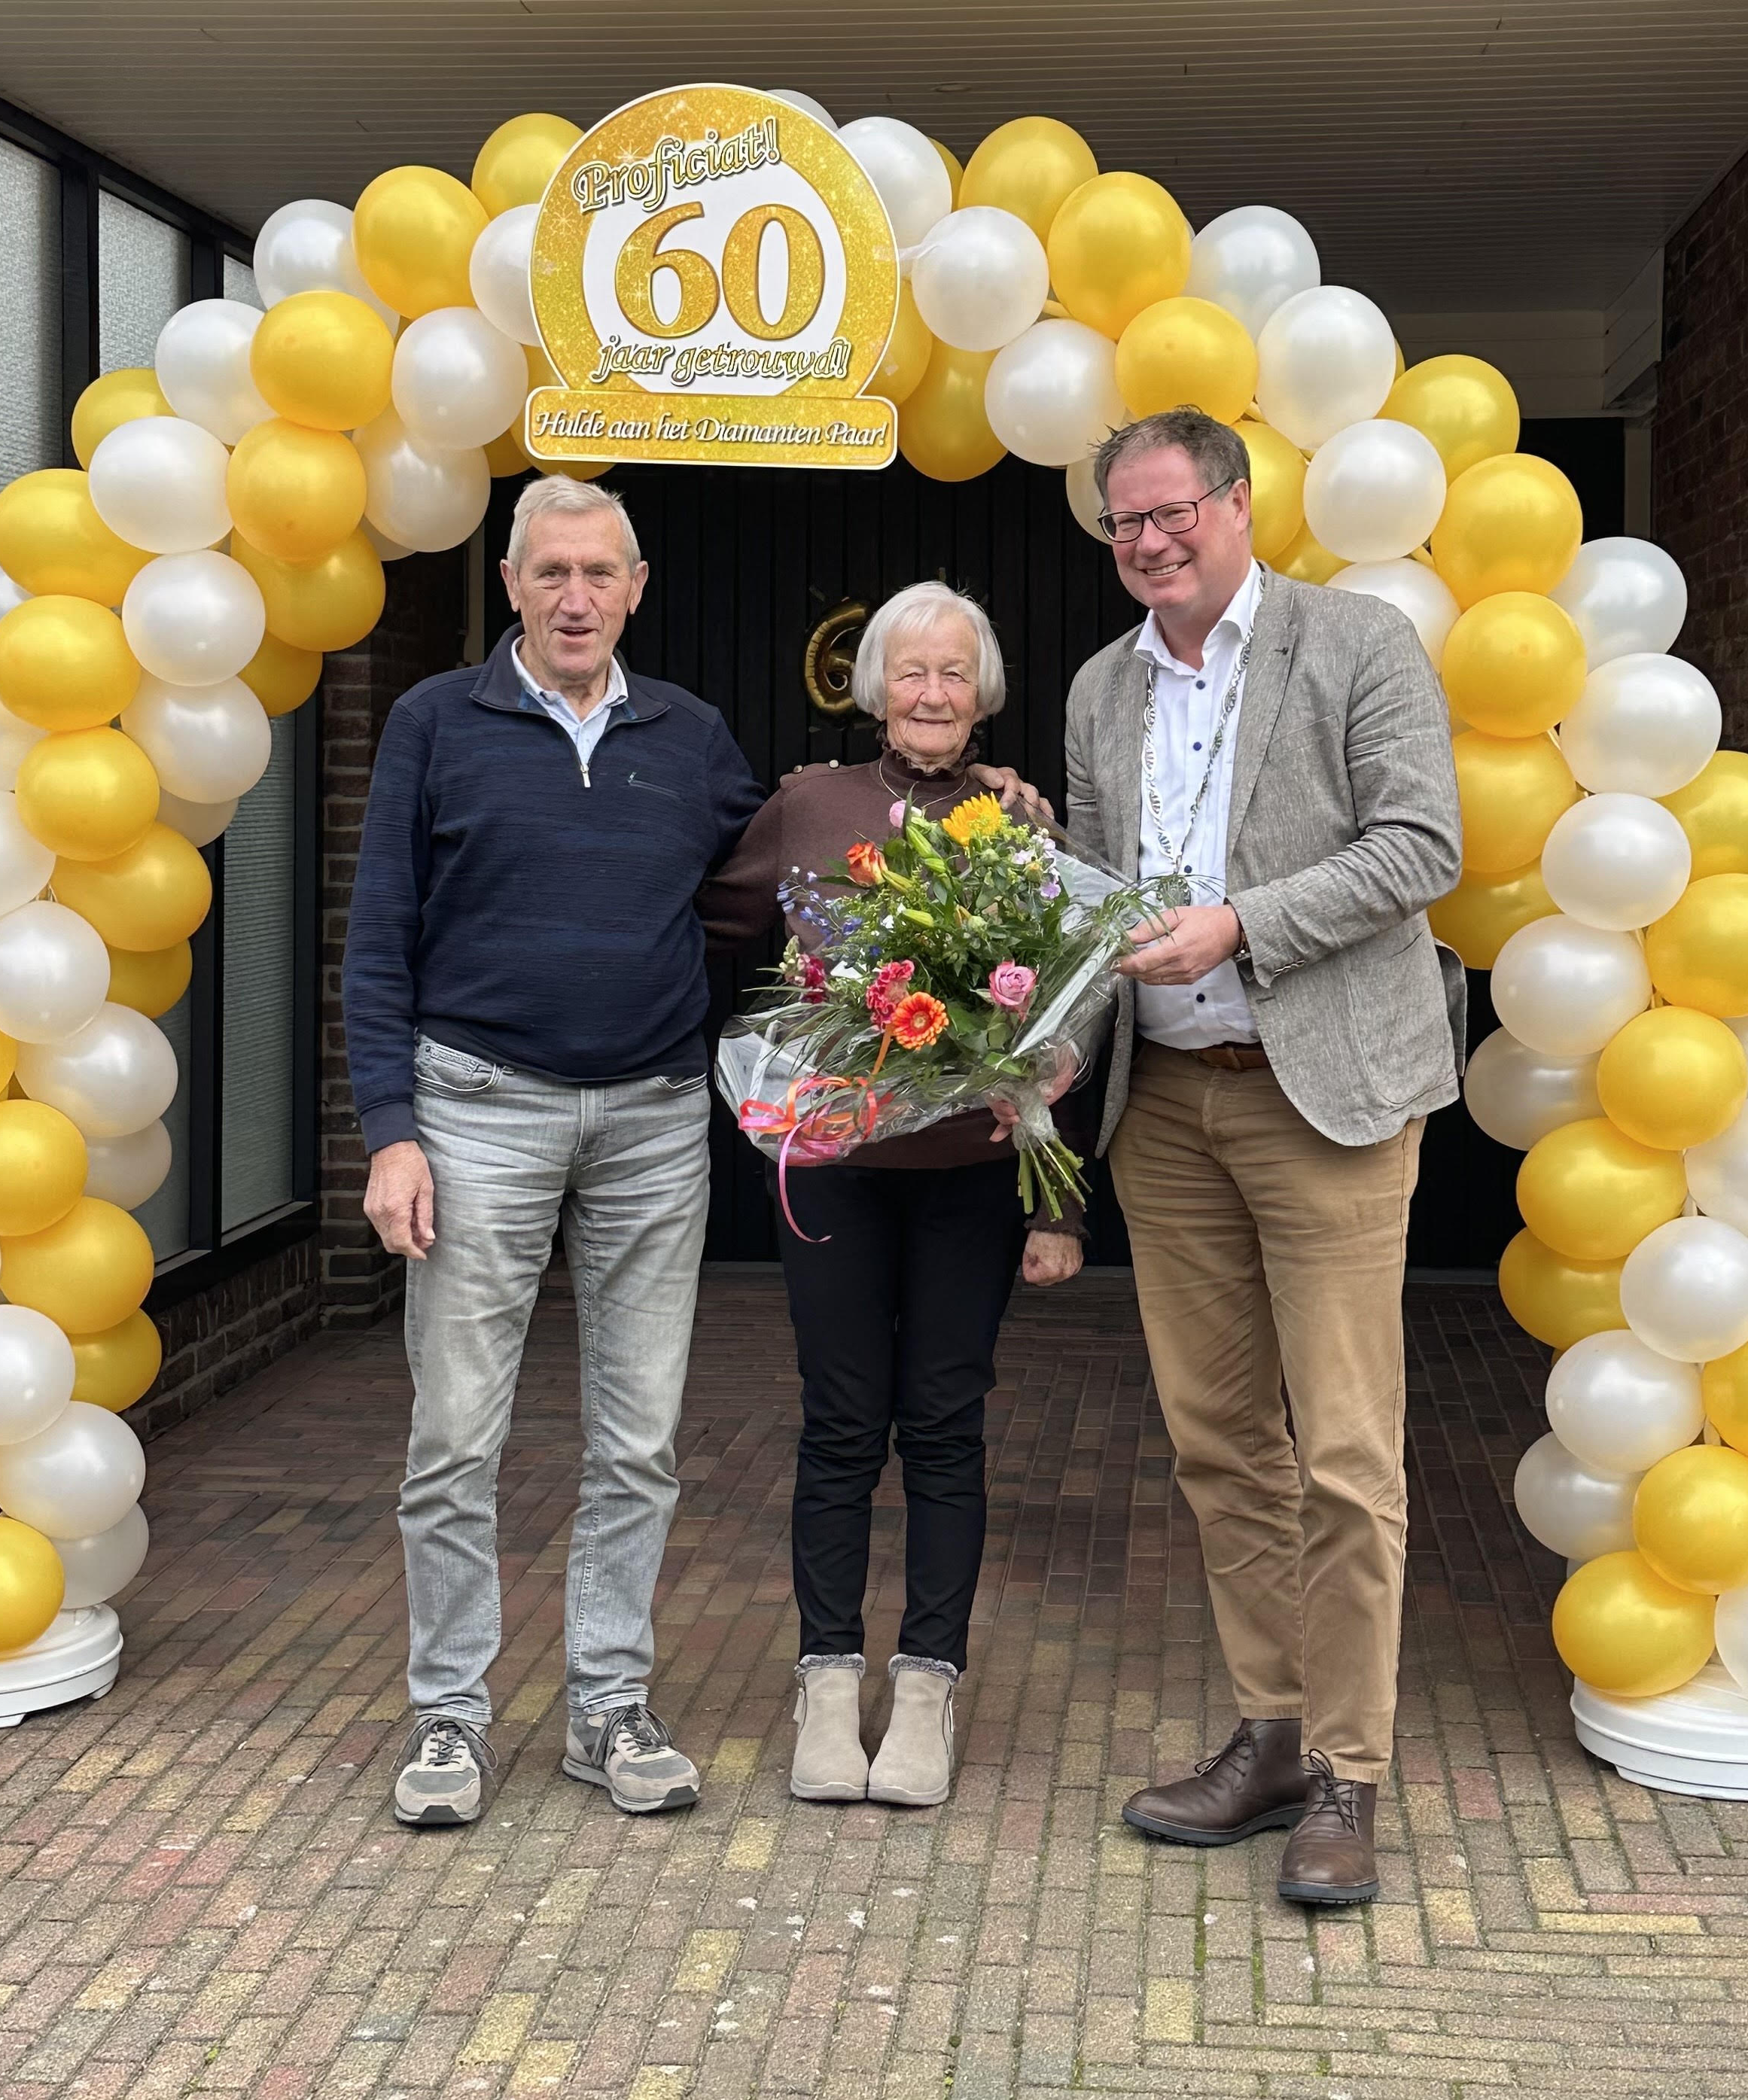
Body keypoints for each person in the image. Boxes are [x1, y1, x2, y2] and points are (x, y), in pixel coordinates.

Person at [349, 478, 1051, 1829]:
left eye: (598, 573)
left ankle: (609, 1701)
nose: (574, 597)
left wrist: (989, 798)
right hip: (477, 1108)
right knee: (454, 1433)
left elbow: (805, 869)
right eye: (549, 571)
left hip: (654, 1121)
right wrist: (391, 1131)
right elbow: (378, 937)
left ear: (638, 584)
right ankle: (449, 1714)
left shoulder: (691, 736)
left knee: (637, 1439)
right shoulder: (436, 724)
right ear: (509, 583)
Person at [1061, 408, 1463, 1905]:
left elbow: (1425, 844)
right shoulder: (1104, 687)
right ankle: (1276, 1735)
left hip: (1330, 1101)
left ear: (1240, 503)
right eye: (1125, 525)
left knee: (1349, 1458)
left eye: (1172, 514)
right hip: (1163, 1105)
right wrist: (1052, 1017)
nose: (1149, 544)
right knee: (1223, 1444)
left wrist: (1244, 923)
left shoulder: (1354, 643)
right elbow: (1104, 899)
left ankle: (1353, 1778)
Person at [699, 582, 1084, 1809]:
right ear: (876, 685)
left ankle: (925, 1686)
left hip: (971, 1169)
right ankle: (824, 1681)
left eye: (954, 674)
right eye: (911, 672)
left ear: (983, 693)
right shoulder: (806, 806)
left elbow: (1077, 1008)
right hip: (834, 1174)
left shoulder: (1017, 821)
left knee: (947, 1424)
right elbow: (718, 938)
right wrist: (766, 1063)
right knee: (840, 1423)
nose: (931, 694)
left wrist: (1062, 1202)